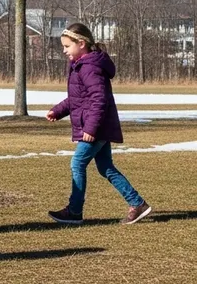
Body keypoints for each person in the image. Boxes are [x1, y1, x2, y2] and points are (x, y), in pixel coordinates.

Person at [47, 22, 151, 225]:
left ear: (82, 43)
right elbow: (78, 99)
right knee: (105, 167)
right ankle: (137, 204)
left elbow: (99, 100)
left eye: (67, 46)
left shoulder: (89, 68)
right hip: (98, 126)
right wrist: (58, 111)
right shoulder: (82, 66)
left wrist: (91, 129)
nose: (64, 50)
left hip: (96, 128)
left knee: (77, 163)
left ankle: (75, 211)